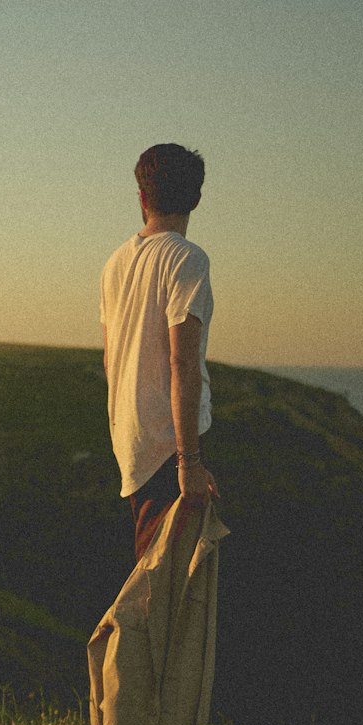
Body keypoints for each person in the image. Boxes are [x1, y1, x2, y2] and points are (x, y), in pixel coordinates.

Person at [100, 143, 219, 561]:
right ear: (197, 199)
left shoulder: (115, 262)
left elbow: (110, 359)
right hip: (170, 442)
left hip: (132, 437)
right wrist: (189, 461)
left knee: (156, 572)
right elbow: (182, 362)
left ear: (142, 197)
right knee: (165, 585)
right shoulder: (187, 259)